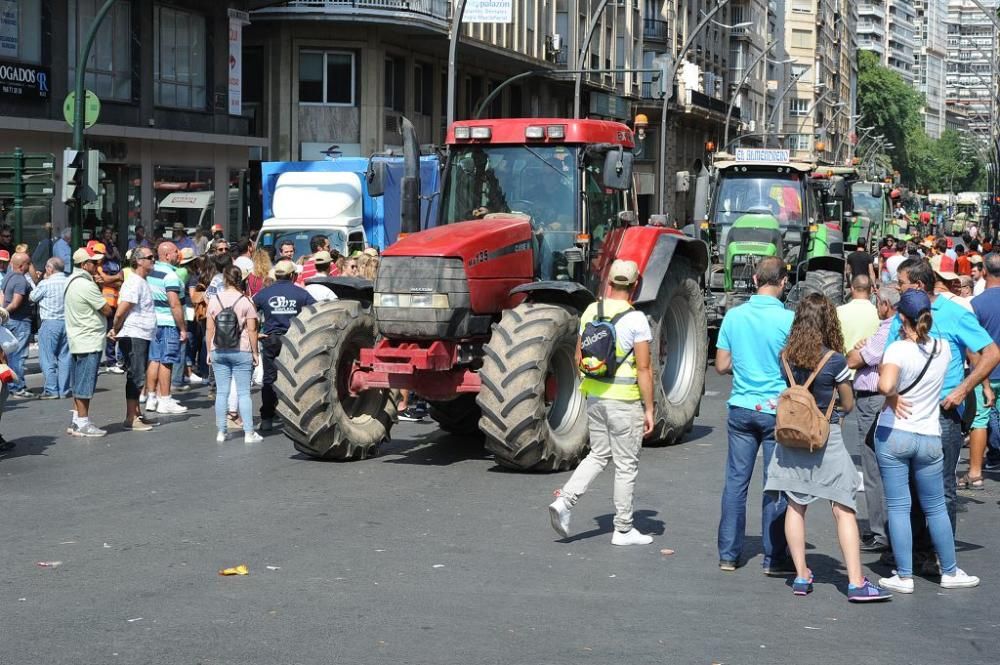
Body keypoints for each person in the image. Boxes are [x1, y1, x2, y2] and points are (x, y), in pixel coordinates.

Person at [764, 293, 890, 602]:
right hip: (825, 436)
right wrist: (837, 406)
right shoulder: (834, 360)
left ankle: (801, 575)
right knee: (843, 505)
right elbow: (847, 402)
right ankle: (857, 582)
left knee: (795, 504)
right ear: (828, 321)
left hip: (793, 437)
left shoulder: (785, 356)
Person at [875, 288, 980, 593]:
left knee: (898, 506)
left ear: (901, 317)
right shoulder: (943, 348)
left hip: (895, 433)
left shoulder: (896, 349)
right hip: (930, 434)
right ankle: (949, 570)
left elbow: (885, 384)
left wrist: (894, 397)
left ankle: (904, 575)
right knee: (936, 506)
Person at [548, 260, 655, 546]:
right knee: (625, 466)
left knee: (597, 455)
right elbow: (644, 369)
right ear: (635, 285)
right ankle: (623, 529)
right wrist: (649, 408)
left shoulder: (591, 311)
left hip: (594, 397)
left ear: (609, 282)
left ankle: (565, 502)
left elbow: (577, 358)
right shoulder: (636, 320)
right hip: (625, 402)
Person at [893, 258, 998, 539]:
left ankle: (941, 553)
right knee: (909, 486)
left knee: (942, 488)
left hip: (943, 413)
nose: (896, 287)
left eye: (900, 283)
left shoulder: (953, 313)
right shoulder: (900, 314)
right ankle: (915, 551)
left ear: (917, 285)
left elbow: (991, 353)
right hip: (908, 413)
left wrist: (965, 388)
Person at [714, 256, 793, 573]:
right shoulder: (790, 319)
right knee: (774, 484)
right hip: (776, 410)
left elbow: (720, 365)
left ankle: (729, 555)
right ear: (783, 283)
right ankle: (774, 558)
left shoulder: (734, 316)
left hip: (741, 408)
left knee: (736, 483)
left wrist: (744, 364)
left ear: (756, 279)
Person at [846, 285, 899, 553]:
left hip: (872, 398)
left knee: (873, 465)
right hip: (877, 397)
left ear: (885, 305)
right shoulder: (891, 328)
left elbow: (856, 359)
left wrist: (861, 351)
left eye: (879, 303)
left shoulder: (889, 327)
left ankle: (881, 531)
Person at [252, 260, 316, 431]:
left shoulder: (264, 293)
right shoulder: (301, 293)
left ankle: (267, 418)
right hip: (294, 340)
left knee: (269, 379)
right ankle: (297, 417)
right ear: (293, 276)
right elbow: (316, 309)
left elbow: (249, 312)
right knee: (297, 379)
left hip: (271, 339)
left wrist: (255, 332)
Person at [206, 265, 262, 444]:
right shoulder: (246, 301)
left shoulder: (214, 300)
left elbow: (209, 328)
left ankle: (221, 432)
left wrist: (208, 351)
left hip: (218, 350)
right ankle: (248, 433)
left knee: (221, 392)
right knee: (244, 393)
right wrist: (255, 353)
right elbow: (252, 330)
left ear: (225, 280)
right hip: (241, 349)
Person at [64, 247, 113, 437]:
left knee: (79, 381)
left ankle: (77, 420)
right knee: (86, 383)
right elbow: (106, 309)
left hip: (78, 336)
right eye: (94, 262)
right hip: (88, 338)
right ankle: (83, 422)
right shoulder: (86, 284)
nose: (97, 265)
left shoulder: (71, 280)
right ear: (85, 265)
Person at [110, 247, 158, 432]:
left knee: (138, 374)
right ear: (139, 261)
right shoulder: (134, 282)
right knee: (136, 375)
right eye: (150, 257)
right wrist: (115, 328)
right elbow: (122, 310)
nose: (153, 260)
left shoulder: (141, 281)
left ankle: (136, 413)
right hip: (134, 334)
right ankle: (131, 417)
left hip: (142, 334)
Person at [966, 252, 1000, 490]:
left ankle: (975, 472)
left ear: (984, 272)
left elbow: (972, 347)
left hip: (985, 372)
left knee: (979, 420)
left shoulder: (976, 304)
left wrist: (983, 378)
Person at [145, 242, 189, 415]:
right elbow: (174, 303)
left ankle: (151, 397)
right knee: (167, 361)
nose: (179, 255)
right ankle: (165, 399)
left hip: (154, 321)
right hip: (169, 323)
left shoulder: (152, 272)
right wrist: (183, 328)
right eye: (176, 252)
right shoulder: (171, 275)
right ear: (167, 255)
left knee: (154, 359)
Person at [29, 257, 71, 399]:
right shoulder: (69, 281)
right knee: (65, 357)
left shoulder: (46, 284)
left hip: (50, 322)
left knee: (47, 357)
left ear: (50, 269)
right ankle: (64, 389)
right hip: (67, 322)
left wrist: (42, 280)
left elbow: (32, 297)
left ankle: (51, 390)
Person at [2, 252, 33, 398]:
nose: (30, 265)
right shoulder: (20, 280)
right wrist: (3, 313)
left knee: (12, 355)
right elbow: (15, 303)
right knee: (19, 356)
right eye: (28, 263)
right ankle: (18, 387)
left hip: (11, 322)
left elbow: (3, 297)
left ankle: (13, 385)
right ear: (22, 266)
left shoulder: (8, 277)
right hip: (20, 321)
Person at [837, 275, 879, 354]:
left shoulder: (838, 311)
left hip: (845, 363)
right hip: (870, 364)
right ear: (871, 290)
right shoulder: (879, 314)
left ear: (852, 288)